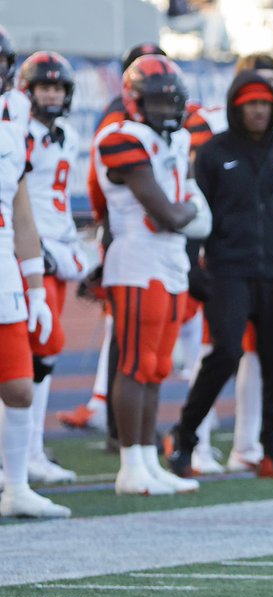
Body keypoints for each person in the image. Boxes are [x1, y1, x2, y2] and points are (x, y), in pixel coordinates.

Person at [164, 70, 273, 480]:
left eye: (265, 103)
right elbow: (197, 213)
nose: (258, 110)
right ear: (236, 106)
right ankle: (185, 437)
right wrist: (193, 264)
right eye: (251, 103)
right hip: (228, 272)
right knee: (226, 354)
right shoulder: (214, 152)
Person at [94, 55, 208, 495]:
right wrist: (187, 211)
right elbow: (165, 212)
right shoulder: (121, 137)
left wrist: (184, 212)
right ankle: (130, 465)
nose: (167, 110)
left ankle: (146, 458)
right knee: (136, 364)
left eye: (172, 102)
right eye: (157, 102)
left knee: (158, 365)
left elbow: (179, 209)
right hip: (137, 258)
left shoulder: (176, 140)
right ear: (135, 101)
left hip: (170, 259)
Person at [58, 42, 168, 436]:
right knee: (130, 346)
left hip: (167, 251)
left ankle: (130, 427)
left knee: (155, 355)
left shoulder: (170, 125)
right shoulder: (118, 126)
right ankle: (122, 432)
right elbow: (103, 185)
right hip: (135, 241)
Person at [0, 29, 71, 518]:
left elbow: (21, 207)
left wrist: (34, 287)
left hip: (6, 262)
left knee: (20, 384)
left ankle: (17, 485)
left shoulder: (12, 121)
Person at [19, 51, 96, 485]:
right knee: (41, 347)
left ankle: (30, 447)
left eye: (58, 88)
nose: (51, 94)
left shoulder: (64, 133)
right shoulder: (21, 134)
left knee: (43, 351)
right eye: (45, 87)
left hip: (59, 247)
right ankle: (24, 449)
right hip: (33, 250)